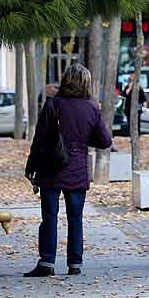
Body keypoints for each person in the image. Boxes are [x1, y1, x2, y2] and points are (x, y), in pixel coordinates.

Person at [24, 64, 113, 277]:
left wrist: (31, 168)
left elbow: (40, 139)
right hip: (77, 167)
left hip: (51, 167)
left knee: (49, 216)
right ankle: (75, 263)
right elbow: (105, 140)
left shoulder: (53, 104)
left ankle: (47, 262)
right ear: (86, 83)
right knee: (75, 217)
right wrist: (83, 139)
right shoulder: (91, 107)